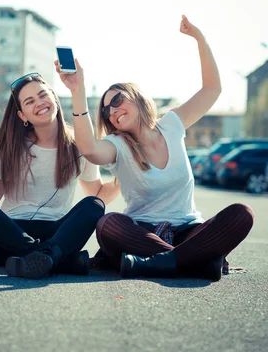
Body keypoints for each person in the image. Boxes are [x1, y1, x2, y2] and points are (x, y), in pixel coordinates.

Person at [56, 15, 254, 281]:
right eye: (107, 110)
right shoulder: (117, 144)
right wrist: (77, 92)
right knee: (108, 224)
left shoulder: (171, 125)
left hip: (187, 230)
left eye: (117, 99)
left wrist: (200, 38)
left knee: (242, 213)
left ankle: (160, 263)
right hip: (141, 233)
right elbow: (90, 149)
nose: (112, 110)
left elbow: (211, 89)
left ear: (137, 97)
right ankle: (194, 262)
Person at [0, 72, 120, 280]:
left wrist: (127, 170)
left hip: (57, 234)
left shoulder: (79, 145)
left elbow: (98, 193)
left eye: (43, 95)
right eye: (29, 102)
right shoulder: (10, 148)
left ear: (54, 98)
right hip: (9, 236)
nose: (39, 103)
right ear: (22, 115)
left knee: (94, 204)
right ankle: (52, 258)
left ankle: (42, 257)